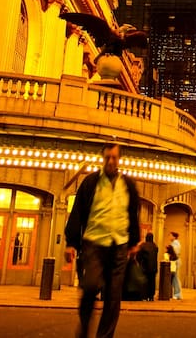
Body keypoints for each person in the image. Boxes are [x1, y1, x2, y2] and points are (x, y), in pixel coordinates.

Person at [64, 142, 140, 338]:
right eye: (107, 157)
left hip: (119, 245)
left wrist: (134, 242)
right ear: (103, 158)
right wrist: (71, 242)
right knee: (90, 286)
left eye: (114, 157)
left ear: (119, 159)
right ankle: (84, 328)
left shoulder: (128, 185)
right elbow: (78, 212)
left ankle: (104, 336)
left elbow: (132, 214)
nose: (111, 161)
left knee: (114, 296)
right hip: (95, 243)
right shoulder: (90, 182)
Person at [137, 232, 158, 301]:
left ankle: (144, 296)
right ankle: (151, 296)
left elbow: (138, 256)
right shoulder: (155, 246)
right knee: (152, 282)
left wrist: (140, 263)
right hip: (153, 267)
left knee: (145, 282)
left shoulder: (143, 246)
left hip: (145, 267)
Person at [169, 232, 183, 300]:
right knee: (173, 277)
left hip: (175, 262)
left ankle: (177, 294)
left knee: (175, 278)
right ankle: (173, 293)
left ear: (174, 237)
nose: (169, 237)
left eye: (170, 235)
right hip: (174, 261)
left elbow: (175, 253)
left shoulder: (176, 243)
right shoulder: (174, 243)